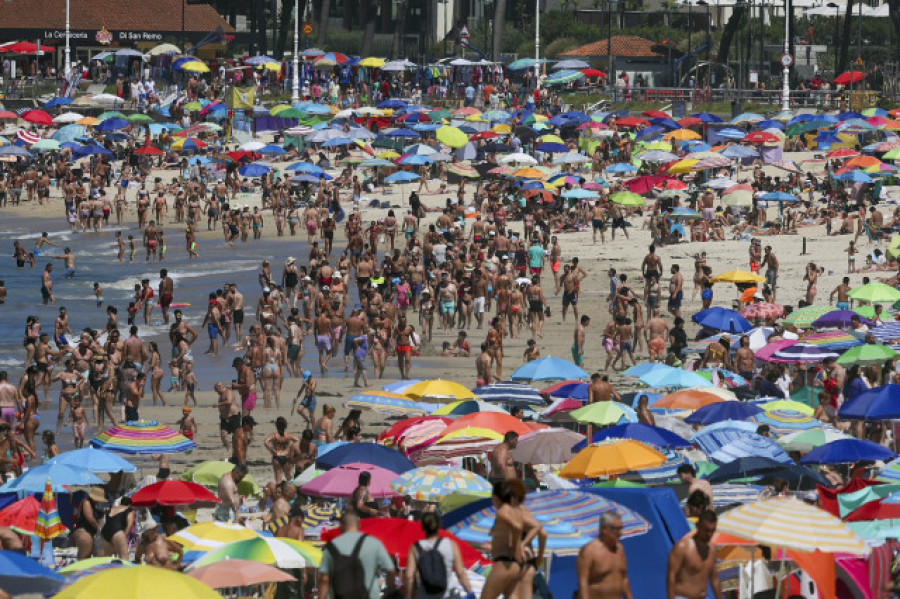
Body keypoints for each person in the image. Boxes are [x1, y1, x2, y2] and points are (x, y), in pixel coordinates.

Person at [318, 510, 397, 599]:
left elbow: (324, 580)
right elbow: (391, 571)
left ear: (341, 526)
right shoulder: (374, 543)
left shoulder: (330, 547)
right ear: (359, 525)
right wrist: (390, 592)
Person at [405, 512, 475, 599]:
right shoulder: (451, 544)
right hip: (446, 594)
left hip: (424, 595)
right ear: (439, 526)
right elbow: (461, 573)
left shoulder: (415, 547)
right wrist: (470, 593)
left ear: (423, 527)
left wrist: (408, 596)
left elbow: (409, 576)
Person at [576, 512, 633, 599]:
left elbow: (624, 578)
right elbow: (583, 582)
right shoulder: (589, 550)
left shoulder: (620, 549)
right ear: (604, 529)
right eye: (617, 529)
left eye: (622, 528)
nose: (621, 533)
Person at [667, 510, 722, 599]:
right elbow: (671, 576)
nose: (709, 534)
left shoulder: (712, 550)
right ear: (698, 526)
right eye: (706, 530)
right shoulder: (683, 547)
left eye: (712, 531)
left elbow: (714, 578)